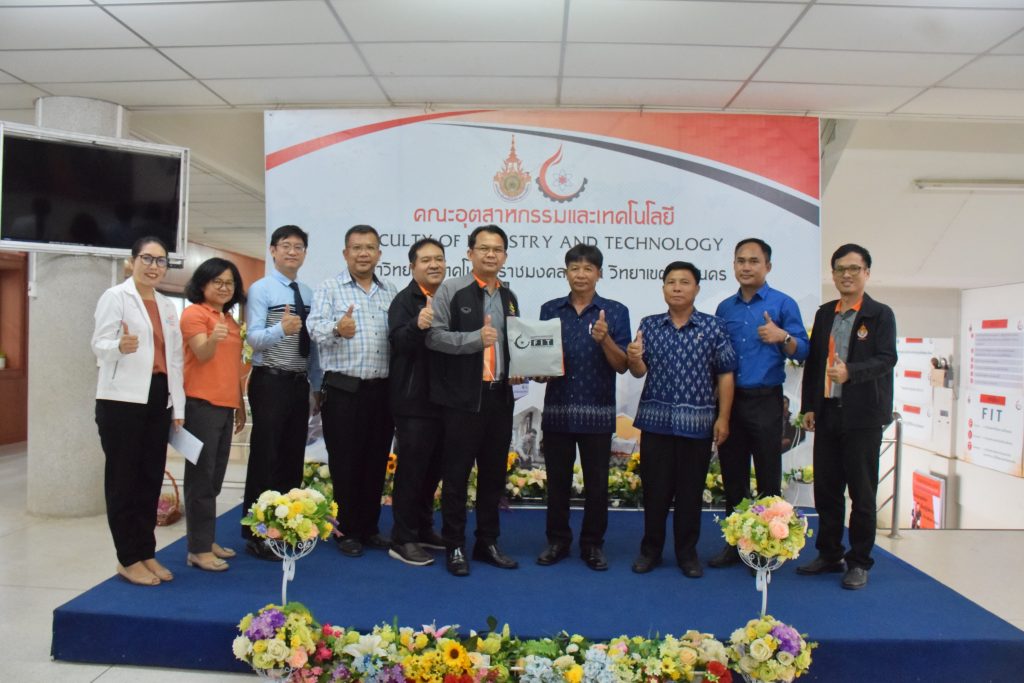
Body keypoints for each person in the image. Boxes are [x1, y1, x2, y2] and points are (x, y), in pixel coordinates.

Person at [626, 261, 735, 579]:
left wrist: (723, 418)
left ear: (697, 288)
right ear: (663, 288)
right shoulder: (648, 325)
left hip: (697, 424)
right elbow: (639, 371)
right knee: (655, 492)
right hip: (656, 423)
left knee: (690, 494)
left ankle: (687, 554)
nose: (676, 287)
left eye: (684, 282)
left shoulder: (713, 327)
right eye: (671, 282)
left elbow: (726, 374)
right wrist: (634, 358)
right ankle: (650, 551)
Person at [797, 243, 896, 590]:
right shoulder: (826, 313)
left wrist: (850, 371)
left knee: (862, 494)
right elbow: (814, 364)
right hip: (827, 413)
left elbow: (887, 359)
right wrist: (809, 406)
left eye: (854, 268)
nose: (847, 275)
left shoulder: (879, 314)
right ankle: (829, 554)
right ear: (833, 274)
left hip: (863, 418)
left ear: (866, 273)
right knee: (826, 490)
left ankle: (859, 562)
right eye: (840, 269)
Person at [426, 224, 522, 577]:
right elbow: (434, 337)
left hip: (500, 396)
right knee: (456, 476)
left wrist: (521, 367)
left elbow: (514, 342)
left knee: (494, 475)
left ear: (505, 256)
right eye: (484, 248)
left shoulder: (509, 296)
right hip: (462, 400)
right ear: (470, 253)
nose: (491, 255)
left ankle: (487, 542)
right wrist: (474, 340)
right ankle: (454, 545)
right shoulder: (451, 290)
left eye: (497, 249)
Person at [709, 238, 809, 568]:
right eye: (741, 261)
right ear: (734, 265)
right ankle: (735, 544)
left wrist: (783, 337)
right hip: (731, 401)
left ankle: (768, 548)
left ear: (768, 266)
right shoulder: (725, 308)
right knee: (733, 475)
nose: (746, 267)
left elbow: (803, 350)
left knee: (768, 476)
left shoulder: (783, 303)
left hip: (766, 399)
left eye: (754, 261)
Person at [91, 236, 185, 586]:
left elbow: (175, 360)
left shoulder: (167, 305)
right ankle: (128, 558)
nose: (154, 266)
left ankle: (146, 552)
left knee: (150, 478)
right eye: (147, 258)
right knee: (123, 481)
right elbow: (98, 344)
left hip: (158, 395)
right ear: (133, 261)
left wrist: (178, 405)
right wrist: (119, 346)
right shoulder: (116, 296)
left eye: (161, 261)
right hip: (121, 400)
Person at [535, 244, 630, 571]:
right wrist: (536, 369)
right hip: (558, 410)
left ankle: (592, 544)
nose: (581, 274)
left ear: (599, 273)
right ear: (566, 272)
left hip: (597, 413)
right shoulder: (550, 310)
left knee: (597, 485)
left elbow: (623, 365)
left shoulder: (615, 311)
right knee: (557, 483)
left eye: (588, 268)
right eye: (574, 268)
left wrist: (605, 340)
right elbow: (541, 362)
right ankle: (557, 541)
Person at [308, 225, 398, 557]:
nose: (363, 253)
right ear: (346, 253)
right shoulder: (329, 288)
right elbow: (314, 329)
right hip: (343, 390)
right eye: (357, 247)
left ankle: (370, 528)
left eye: (370, 247)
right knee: (345, 462)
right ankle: (346, 530)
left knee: (376, 460)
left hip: (382, 390)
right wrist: (337, 328)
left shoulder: (390, 291)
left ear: (379, 254)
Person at [241, 225, 323, 561]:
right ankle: (257, 533)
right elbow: (254, 338)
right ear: (273, 250)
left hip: (298, 383)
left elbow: (312, 346)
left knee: (291, 459)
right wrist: (281, 328)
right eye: (285, 245)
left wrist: (316, 387)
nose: (292, 251)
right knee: (266, 457)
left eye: (298, 246)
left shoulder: (308, 292)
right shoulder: (261, 289)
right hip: (270, 381)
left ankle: (286, 528)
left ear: (305, 253)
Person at [180, 258, 247, 572]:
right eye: (217, 281)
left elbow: (231, 367)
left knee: (215, 477)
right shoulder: (194, 313)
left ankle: (206, 540)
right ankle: (198, 549)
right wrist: (213, 338)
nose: (224, 287)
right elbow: (202, 354)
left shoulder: (229, 320)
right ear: (203, 284)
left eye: (229, 282)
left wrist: (240, 403)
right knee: (200, 479)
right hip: (201, 406)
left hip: (225, 405)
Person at [387, 237, 448, 566]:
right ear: (413, 266)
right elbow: (397, 342)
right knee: (411, 471)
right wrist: (417, 324)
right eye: (426, 260)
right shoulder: (405, 300)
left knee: (433, 470)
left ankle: (423, 528)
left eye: (438, 259)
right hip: (413, 402)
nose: (434, 265)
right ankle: (403, 539)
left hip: (444, 400)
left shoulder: (450, 296)